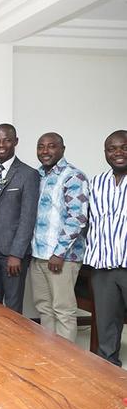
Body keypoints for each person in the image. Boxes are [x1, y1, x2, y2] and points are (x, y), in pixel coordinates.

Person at [30, 132, 88, 342]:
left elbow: (77, 218)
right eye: (41, 146)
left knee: (63, 310)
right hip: (38, 255)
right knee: (44, 308)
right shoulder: (36, 176)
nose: (45, 151)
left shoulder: (73, 176)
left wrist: (59, 252)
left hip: (62, 258)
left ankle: (66, 361)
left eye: (51, 146)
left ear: (62, 149)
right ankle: (49, 356)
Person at [0, 124, 40, 314]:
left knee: (12, 306)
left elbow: (28, 217)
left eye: (6, 140)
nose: (1, 144)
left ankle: (13, 344)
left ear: (16, 142)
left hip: (11, 251)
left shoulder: (28, 174)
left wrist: (17, 254)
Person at [85, 130, 127, 366]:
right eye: (112, 149)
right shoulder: (96, 183)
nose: (118, 152)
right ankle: (109, 374)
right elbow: (85, 219)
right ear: (105, 153)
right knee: (106, 325)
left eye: (123, 147)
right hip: (103, 266)